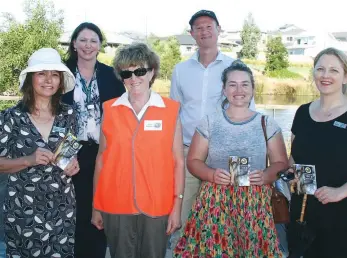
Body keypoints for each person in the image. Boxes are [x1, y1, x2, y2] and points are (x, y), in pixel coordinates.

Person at [173, 60, 288, 257]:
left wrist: (266, 176)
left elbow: (281, 163)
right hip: (215, 202)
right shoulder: (209, 121)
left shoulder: (266, 123)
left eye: (244, 84)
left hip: (255, 203)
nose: (238, 90)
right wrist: (211, 174)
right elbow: (193, 161)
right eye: (232, 84)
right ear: (224, 89)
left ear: (252, 89)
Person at [169, 10, 256, 248]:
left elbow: (249, 110)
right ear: (191, 33)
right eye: (199, 28)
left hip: (226, 155)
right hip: (188, 152)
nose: (204, 31)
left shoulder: (235, 67)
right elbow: (174, 114)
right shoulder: (181, 70)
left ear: (219, 30)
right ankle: (186, 250)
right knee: (185, 210)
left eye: (209, 26)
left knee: (228, 216)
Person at [91, 43, 185, 258]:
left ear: (152, 71)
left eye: (140, 71)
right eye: (127, 73)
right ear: (121, 77)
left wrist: (177, 206)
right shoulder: (109, 109)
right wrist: (96, 206)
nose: (134, 79)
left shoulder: (170, 110)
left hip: (157, 205)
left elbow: (179, 162)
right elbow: (101, 161)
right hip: (115, 205)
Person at [0, 48, 79, 257]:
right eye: (41, 74)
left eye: (54, 74)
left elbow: (70, 154)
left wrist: (73, 166)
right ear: (30, 79)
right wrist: (28, 160)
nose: (48, 80)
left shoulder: (69, 114)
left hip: (62, 207)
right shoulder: (11, 117)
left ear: (61, 80)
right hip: (22, 208)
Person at [288, 47, 347, 258]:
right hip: (302, 212)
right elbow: (294, 156)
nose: (325, 75)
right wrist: (291, 175)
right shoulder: (302, 112)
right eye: (320, 69)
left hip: (342, 216)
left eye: (333, 70)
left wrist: (341, 191)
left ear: (346, 76)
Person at [62, 22, 126, 258]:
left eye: (93, 41)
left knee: (99, 207)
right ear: (74, 44)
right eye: (83, 40)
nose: (88, 45)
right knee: (73, 208)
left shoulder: (111, 76)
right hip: (69, 150)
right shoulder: (61, 72)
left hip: (103, 151)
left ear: (100, 45)